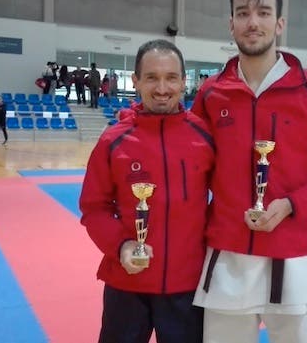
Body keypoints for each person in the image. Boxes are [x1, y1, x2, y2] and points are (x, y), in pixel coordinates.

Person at [191, 0, 307, 343]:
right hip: (227, 253)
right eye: (243, 13)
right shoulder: (209, 94)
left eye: (264, 12)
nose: (253, 22)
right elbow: (193, 172)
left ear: (279, 23)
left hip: (295, 253)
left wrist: (291, 205)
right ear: (231, 24)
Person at [80, 39, 215, 343]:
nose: (162, 88)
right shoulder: (113, 141)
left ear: (183, 82)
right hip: (126, 283)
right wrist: (122, 246)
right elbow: (94, 207)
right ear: (136, 81)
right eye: (152, 77)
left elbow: (226, 198)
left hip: (188, 288)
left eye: (171, 78)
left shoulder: (204, 137)